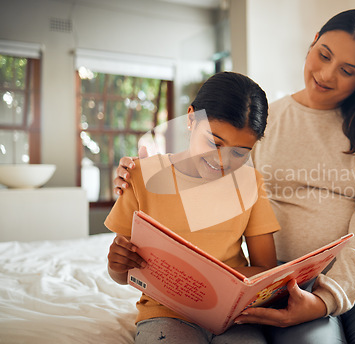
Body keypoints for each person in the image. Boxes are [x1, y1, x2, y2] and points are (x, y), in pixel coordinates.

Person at [114, 9, 355, 344]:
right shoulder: (263, 121)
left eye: (347, 71)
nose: (326, 73)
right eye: (323, 54)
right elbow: (209, 172)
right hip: (290, 278)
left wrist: (327, 299)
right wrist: (142, 173)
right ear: (312, 44)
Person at [106, 71, 281, 344]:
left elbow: (266, 271)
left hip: (234, 315)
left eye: (239, 153)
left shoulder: (251, 183)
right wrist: (116, 264)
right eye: (214, 142)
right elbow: (122, 274)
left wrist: (222, 283)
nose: (222, 161)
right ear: (191, 118)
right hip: (166, 312)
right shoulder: (141, 176)